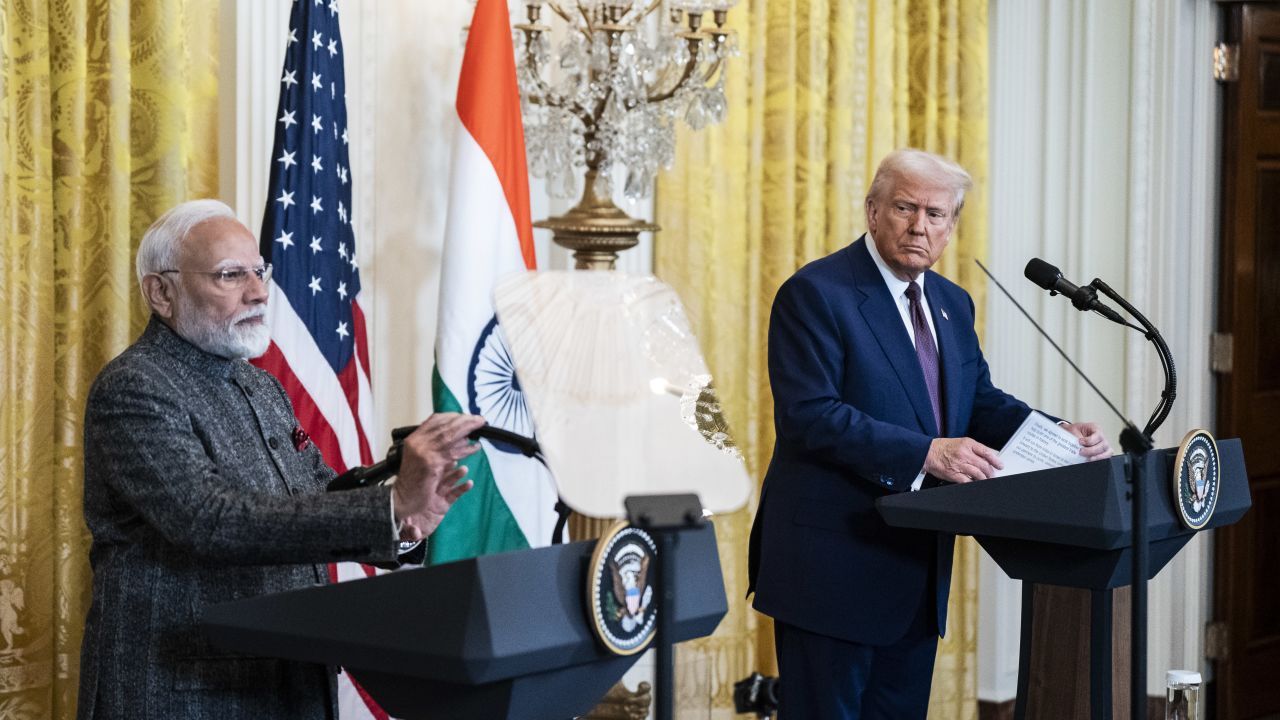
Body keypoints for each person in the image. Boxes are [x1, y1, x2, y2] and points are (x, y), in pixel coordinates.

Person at [77, 199, 486, 719]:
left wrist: (405, 520)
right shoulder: (135, 388)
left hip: (291, 680)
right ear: (162, 292)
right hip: (184, 693)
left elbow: (319, 497)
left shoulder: (262, 386)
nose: (259, 292)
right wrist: (388, 508)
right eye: (230, 275)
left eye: (258, 271)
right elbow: (210, 520)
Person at [746, 149, 1111, 719]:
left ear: (951, 226)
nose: (921, 225)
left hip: (914, 572)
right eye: (905, 207)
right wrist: (926, 452)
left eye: (936, 214)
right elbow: (810, 415)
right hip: (830, 570)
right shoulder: (817, 293)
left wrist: (1057, 434)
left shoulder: (951, 303)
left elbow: (978, 402)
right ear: (872, 212)